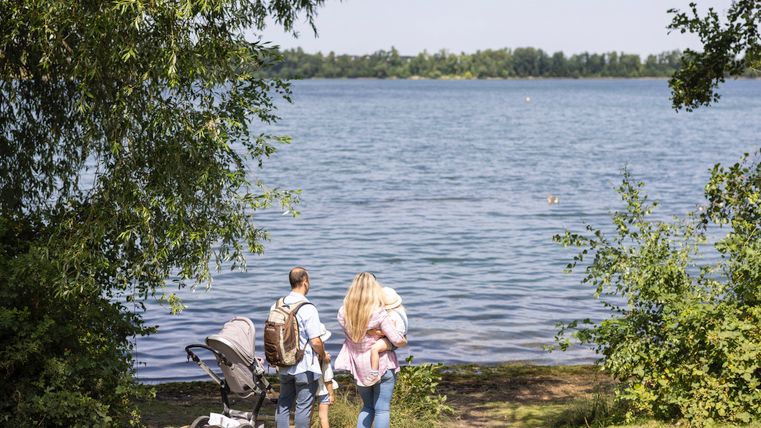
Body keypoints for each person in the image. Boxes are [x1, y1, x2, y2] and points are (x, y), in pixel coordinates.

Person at [334, 272, 407, 428]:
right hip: (381, 365)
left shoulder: (343, 313)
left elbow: (354, 333)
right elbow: (397, 340)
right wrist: (403, 340)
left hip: (359, 367)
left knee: (367, 407)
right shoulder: (378, 313)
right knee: (381, 410)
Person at [274, 267, 329, 428]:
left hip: (283, 364)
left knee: (283, 405)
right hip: (304, 366)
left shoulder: (277, 304)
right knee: (302, 408)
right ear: (305, 281)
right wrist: (323, 355)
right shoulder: (307, 308)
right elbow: (316, 342)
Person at [365, 287, 408, 385]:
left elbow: (388, 332)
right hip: (401, 337)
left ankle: (374, 373)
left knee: (374, 349)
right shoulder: (401, 311)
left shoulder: (391, 316)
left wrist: (372, 332)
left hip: (393, 340)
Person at [316, 323, 338, 428]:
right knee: (323, 417)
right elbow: (327, 379)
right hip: (323, 391)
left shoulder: (306, 357)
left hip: (309, 390)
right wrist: (331, 394)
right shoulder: (325, 357)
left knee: (307, 415)